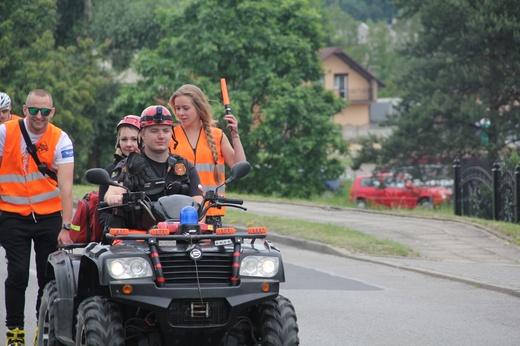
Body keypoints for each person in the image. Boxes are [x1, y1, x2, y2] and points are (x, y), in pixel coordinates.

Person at [0, 89, 74, 345]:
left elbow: (66, 186)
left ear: (52, 112)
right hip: (12, 214)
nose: (39, 116)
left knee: (47, 277)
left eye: (45, 111)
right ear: (24, 110)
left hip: (48, 217)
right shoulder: (5, 132)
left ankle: (41, 327)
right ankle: (15, 331)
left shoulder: (60, 138)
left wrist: (66, 226)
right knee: (18, 273)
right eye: (34, 110)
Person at [102, 105, 203, 231]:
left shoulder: (185, 167)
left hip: (179, 238)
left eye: (166, 131)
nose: (161, 136)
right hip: (140, 240)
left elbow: (198, 205)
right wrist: (114, 198)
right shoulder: (129, 165)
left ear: (172, 133)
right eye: (154, 131)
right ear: (143, 135)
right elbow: (114, 191)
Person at [168, 84, 246, 229]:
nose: (180, 113)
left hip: (211, 211)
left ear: (199, 107)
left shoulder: (217, 135)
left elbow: (239, 166)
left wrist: (235, 135)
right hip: (179, 211)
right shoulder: (170, 135)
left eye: (186, 108)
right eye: (177, 108)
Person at [99, 115, 141, 201]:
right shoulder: (110, 171)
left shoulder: (152, 166)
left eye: (134, 139)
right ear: (118, 142)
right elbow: (102, 211)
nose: (129, 144)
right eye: (124, 139)